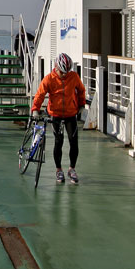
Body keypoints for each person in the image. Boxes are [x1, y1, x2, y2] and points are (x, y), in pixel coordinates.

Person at [30, 53, 86, 184]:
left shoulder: (74, 77)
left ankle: (72, 169)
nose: (64, 75)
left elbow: (81, 90)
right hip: (55, 115)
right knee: (58, 142)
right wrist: (35, 110)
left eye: (66, 72)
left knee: (73, 142)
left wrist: (81, 105)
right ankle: (58, 170)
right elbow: (40, 95)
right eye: (62, 72)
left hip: (71, 114)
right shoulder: (49, 79)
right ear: (56, 68)